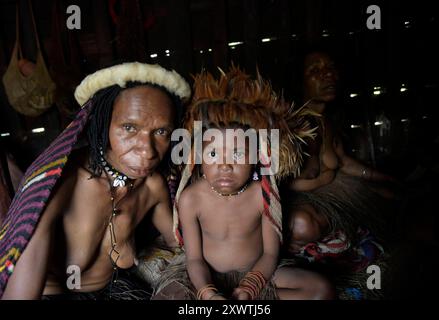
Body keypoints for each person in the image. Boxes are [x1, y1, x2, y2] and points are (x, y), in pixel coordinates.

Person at [0, 62, 190, 299]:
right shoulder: (62, 182)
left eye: (161, 132)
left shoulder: (152, 186)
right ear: (103, 123)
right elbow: (23, 282)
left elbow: (181, 245)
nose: (147, 151)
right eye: (129, 127)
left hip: (115, 289)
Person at [143, 67, 334, 300]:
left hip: (258, 273)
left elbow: (271, 253)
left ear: (256, 157)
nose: (225, 166)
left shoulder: (262, 195)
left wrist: (250, 287)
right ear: (198, 159)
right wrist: (208, 293)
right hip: (205, 275)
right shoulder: (191, 199)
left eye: (237, 154)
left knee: (321, 290)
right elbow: (194, 259)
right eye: (213, 155)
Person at [283, 50, 396, 299]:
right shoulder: (290, 122)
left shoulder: (326, 121)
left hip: (331, 196)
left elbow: (343, 162)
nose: (328, 75)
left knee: (389, 196)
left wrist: (382, 178)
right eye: (315, 71)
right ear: (298, 81)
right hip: (302, 203)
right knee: (301, 224)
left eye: (331, 68)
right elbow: (282, 179)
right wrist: (315, 168)